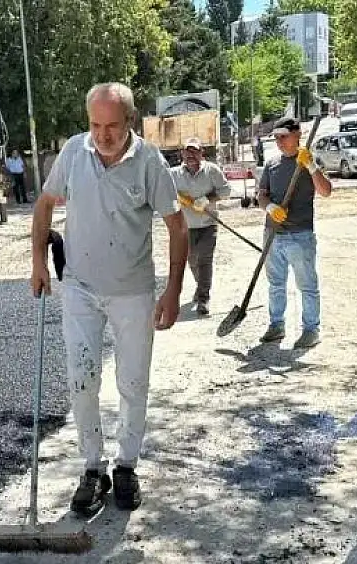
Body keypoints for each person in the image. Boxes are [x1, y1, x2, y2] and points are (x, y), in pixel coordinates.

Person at [30, 82, 187, 515]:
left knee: (132, 383)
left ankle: (126, 466)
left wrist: (172, 292)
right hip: (79, 287)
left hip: (133, 293)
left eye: (112, 126)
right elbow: (44, 205)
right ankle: (92, 467)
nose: (102, 135)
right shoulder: (74, 153)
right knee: (82, 380)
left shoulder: (150, 162)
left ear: (130, 123)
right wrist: (38, 263)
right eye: (95, 125)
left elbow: (178, 227)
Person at [257, 117, 333, 350]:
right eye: (276, 137)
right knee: (276, 283)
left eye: (284, 136)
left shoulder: (309, 161)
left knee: (307, 285)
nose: (279, 141)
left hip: (300, 235)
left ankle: (311, 329)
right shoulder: (272, 164)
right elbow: (262, 195)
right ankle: (276, 325)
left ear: (298, 134)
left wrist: (311, 167)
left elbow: (326, 191)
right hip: (273, 234)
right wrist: (269, 207)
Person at [171, 137, 231, 316]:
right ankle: (200, 286)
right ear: (182, 154)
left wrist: (207, 199)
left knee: (204, 259)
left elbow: (225, 190)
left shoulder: (212, 171)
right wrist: (177, 198)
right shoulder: (174, 174)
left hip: (208, 223)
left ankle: (204, 298)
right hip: (185, 226)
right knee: (192, 260)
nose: (191, 156)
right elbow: (162, 190)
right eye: (187, 152)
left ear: (201, 153)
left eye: (194, 152)